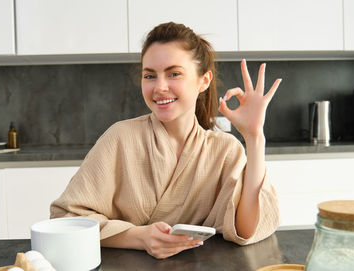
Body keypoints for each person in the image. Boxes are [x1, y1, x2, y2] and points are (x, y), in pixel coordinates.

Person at [50, 22, 282, 259]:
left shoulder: (224, 150)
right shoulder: (120, 138)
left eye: (174, 74)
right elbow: (67, 220)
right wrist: (139, 237)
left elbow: (245, 230)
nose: (160, 88)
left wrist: (254, 138)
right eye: (150, 75)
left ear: (204, 80)